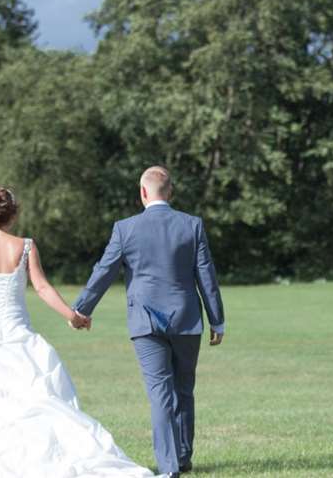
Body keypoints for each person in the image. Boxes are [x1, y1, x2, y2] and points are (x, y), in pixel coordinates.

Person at [0, 186, 155, 477]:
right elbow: (41, 287)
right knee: (39, 397)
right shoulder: (25, 246)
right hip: (18, 336)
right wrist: (74, 316)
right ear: (14, 215)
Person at [72, 166, 225, 477]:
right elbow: (206, 276)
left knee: (160, 393)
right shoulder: (192, 225)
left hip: (145, 322)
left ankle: (170, 468)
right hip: (186, 319)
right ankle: (182, 457)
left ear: (143, 192)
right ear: (170, 192)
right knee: (184, 389)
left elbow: (104, 271)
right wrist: (217, 321)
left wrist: (82, 309)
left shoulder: (125, 229)